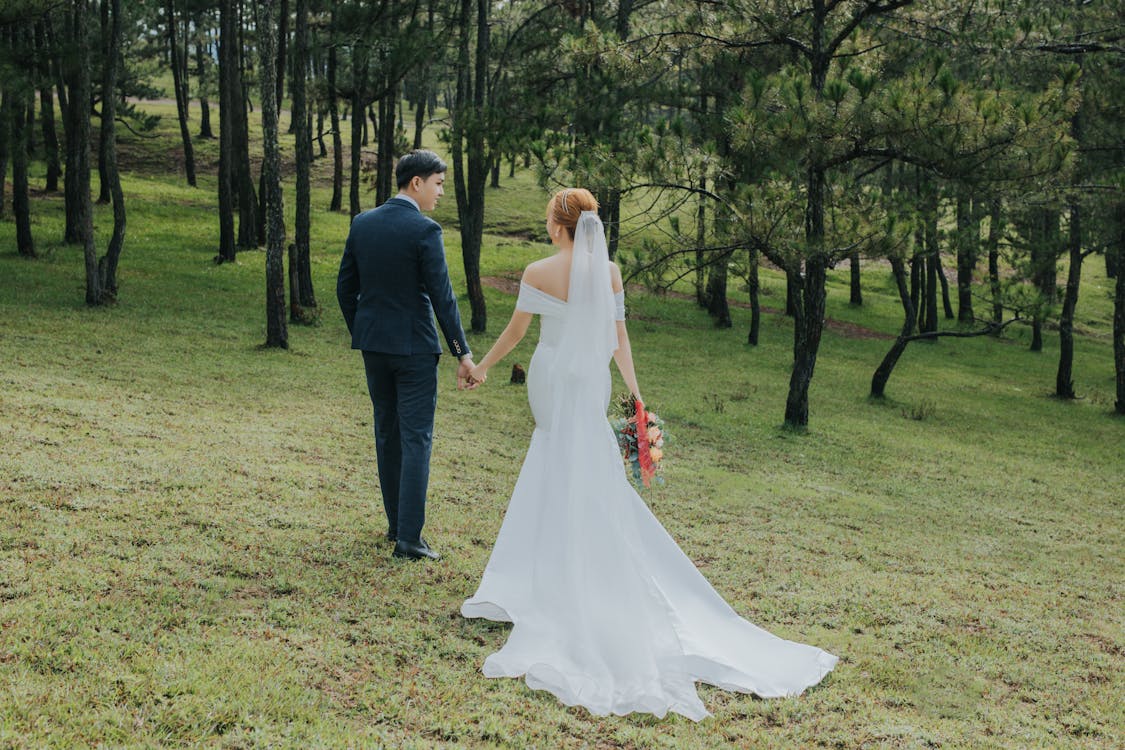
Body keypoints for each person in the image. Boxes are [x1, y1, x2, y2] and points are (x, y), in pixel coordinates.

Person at [460, 188, 837, 720]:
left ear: (557, 225)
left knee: (553, 462)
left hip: (551, 379)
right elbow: (619, 340)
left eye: (548, 217)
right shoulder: (609, 273)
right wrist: (635, 396)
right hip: (588, 383)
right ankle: (559, 576)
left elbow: (518, 332)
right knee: (582, 469)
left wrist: (481, 368)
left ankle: (551, 583)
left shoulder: (538, 270)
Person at [336, 149, 476, 562]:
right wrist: (461, 353)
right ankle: (410, 540)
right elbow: (443, 298)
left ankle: (397, 525)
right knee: (416, 439)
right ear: (416, 182)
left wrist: (364, 329)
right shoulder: (424, 230)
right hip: (415, 350)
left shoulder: (362, 223)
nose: (441, 193)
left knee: (387, 433)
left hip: (374, 348)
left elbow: (346, 289)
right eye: (438, 184)